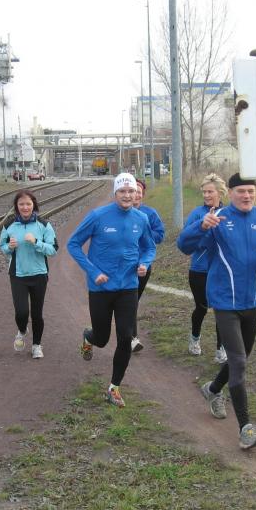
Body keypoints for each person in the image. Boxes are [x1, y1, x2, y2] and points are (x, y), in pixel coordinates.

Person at [177, 172, 256, 449]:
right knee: (239, 361)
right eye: (241, 191)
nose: (246, 196)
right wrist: (201, 227)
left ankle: (212, 389)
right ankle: (246, 429)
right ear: (229, 193)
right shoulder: (217, 219)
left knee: (239, 358)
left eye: (250, 191)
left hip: (253, 300)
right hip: (224, 301)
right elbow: (184, 245)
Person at [67, 172, 156, 407]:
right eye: (122, 191)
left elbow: (149, 247)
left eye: (131, 191)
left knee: (126, 337)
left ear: (136, 194)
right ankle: (89, 336)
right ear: (115, 193)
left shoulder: (141, 219)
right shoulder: (98, 216)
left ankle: (114, 387)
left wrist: (145, 263)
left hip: (128, 287)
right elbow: (73, 244)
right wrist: (93, 271)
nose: (127, 195)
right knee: (102, 338)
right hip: (101, 287)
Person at [0, 190, 58, 359]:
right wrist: (9, 247)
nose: (25, 207)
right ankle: (22, 330)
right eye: (21, 204)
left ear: (34, 205)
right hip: (18, 275)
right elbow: (2, 246)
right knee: (21, 312)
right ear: (16, 206)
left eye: (28, 204)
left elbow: (53, 249)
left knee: (37, 314)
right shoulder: (9, 225)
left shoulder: (43, 225)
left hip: (39, 274)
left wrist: (37, 242)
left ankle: (36, 346)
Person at [177, 173, 228, 362]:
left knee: (222, 310)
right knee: (201, 308)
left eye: (210, 191)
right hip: (200, 270)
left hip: (222, 271)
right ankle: (194, 338)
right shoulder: (197, 214)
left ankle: (221, 348)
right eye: (204, 192)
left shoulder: (229, 213)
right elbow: (185, 240)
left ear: (220, 192)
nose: (206, 195)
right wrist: (203, 227)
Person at [130, 178, 165, 352]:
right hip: (123, 265)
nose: (136, 195)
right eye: (133, 191)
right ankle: (131, 337)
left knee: (133, 300)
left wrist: (145, 234)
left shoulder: (150, 214)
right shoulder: (118, 213)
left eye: (139, 192)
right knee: (128, 302)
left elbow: (160, 235)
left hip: (142, 265)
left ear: (143, 195)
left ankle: (131, 337)